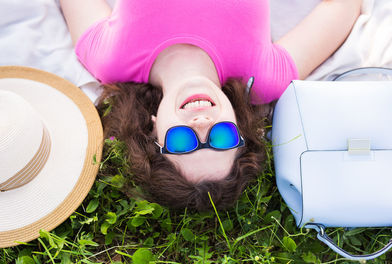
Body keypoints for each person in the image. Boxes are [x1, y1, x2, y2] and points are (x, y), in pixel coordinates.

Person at [60, 0, 362, 210]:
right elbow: (342, 7)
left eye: (183, 142)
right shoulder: (263, 77)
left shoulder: (110, 61)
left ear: (153, 133)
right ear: (240, 129)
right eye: (221, 138)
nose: (202, 125)